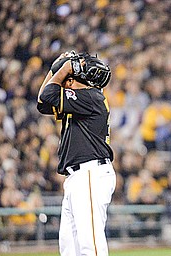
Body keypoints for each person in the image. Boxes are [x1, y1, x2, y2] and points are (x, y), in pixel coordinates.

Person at [37, 50, 116, 256]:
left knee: (91, 246)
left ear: (70, 81)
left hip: (90, 173)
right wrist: (56, 68)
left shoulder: (90, 97)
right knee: (69, 248)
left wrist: (65, 67)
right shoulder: (79, 101)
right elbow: (42, 103)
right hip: (78, 177)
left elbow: (48, 94)